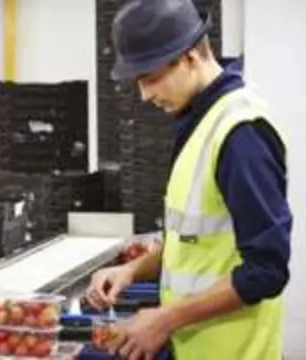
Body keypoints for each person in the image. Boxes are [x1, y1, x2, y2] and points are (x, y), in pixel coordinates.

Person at [86, 1, 292, 359]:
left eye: (150, 77)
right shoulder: (201, 121)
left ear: (191, 56)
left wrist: (163, 320)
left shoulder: (241, 134)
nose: (144, 95)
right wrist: (133, 270)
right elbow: (193, 244)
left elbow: (266, 270)